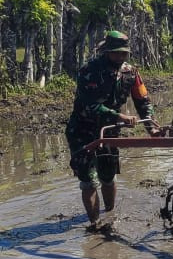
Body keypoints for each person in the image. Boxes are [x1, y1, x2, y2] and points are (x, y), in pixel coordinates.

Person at [65, 31, 158, 226]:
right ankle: (95, 223)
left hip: (109, 131)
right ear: (106, 52)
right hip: (83, 131)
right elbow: (89, 104)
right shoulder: (89, 71)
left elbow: (142, 100)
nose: (120, 57)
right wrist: (119, 116)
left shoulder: (131, 73)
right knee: (88, 180)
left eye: (123, 53)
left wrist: (151, 127)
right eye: (116, 53)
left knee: (108, 176)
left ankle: (109, 216)